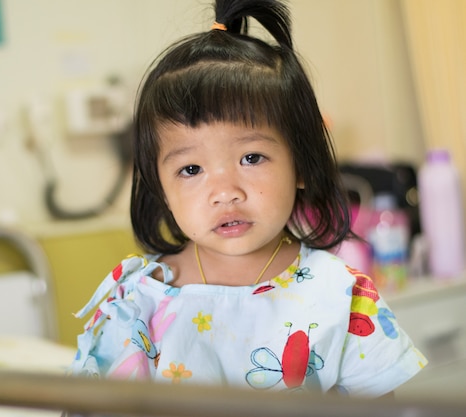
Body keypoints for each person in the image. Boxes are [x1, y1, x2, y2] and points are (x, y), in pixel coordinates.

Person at [69, 0, 427, 397]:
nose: (225, 192)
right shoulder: (137, 300)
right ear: (161, 188)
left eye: (251, 157)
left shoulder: (339, 294)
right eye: (191, 170)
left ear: (302, 164)